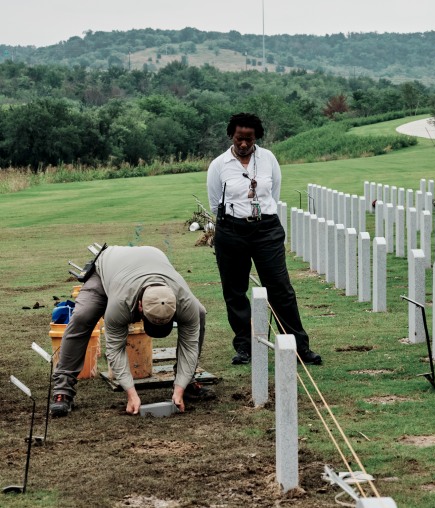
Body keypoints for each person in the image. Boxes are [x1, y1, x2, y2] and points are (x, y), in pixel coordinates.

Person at [208, 113, 321, 366]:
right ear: (231, 136)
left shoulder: (268, 158)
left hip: (266, 230)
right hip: (231, 231)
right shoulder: (219, 164)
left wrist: (262, 218)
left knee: (281, 289)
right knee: (235, 291)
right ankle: (245, 347)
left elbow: (274, 194)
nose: (244, 144)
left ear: (256, 137)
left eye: (249, 138)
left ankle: (298, 346)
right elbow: (215, 202)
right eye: (239, 138)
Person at [51, 245, 208, 417]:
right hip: (107, 270)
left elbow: (190, 346)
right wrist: (131, 394)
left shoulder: (185, 302)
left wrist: (179, 388)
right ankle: (63, 389)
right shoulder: (120, 304)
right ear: (140, 307)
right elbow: (115, 349)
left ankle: (186, 381)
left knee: (199, 314)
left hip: (151, 259)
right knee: (82, 317)